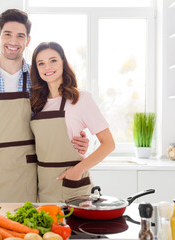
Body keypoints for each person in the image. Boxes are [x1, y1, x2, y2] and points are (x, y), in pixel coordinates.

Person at [0, 9, 89, 203]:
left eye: (20, 36)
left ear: (27, 41)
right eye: (8, 34)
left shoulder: (37, 79)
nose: (13, 41)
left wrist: (77, 141)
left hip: (27, 176)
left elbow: (54, 120)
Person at [30, 42, 115, 203]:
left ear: (63, 62)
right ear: (37, 69)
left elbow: (108, 144)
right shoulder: (35, 103)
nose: (47, 67)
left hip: (73, 185)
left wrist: (77, 171)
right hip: (43, 185)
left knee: (74, 228)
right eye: (41, 63)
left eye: (53, 60)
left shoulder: (80, 98)